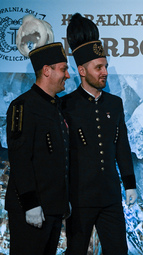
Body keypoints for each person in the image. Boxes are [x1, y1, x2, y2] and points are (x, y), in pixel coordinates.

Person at [62, 13, 137, 255]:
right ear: (82, 70)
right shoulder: (65, 105)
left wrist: (129, 184)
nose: (105, 71)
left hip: (111, 197)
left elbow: (121, 145)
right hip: (78, 199)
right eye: (99, 67)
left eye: (105, 66)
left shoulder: (114, 103)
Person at [5, 41, 70, 254]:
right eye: (63, 69)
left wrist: (63, 199)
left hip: (52, 208)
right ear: (46, 70)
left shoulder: (57, 106)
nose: (67, 75)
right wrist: (30, 204)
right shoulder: (23, 106)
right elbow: (19, 157)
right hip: (31, 210)